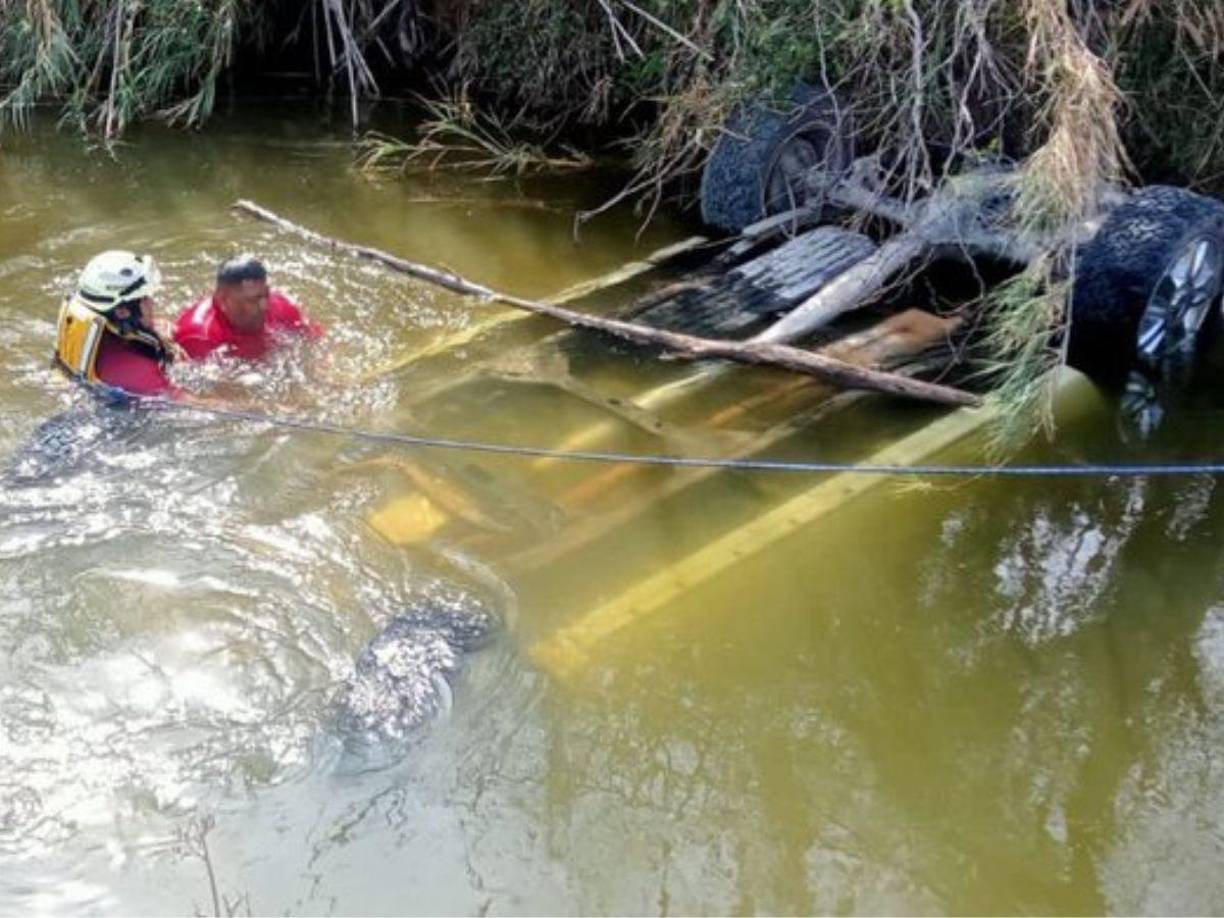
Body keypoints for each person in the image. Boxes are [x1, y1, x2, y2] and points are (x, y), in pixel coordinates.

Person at [54, 250, 179, 398]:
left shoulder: (100, 335)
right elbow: (197, 405)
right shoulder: (138, 369)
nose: (152, 302)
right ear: (122, 312)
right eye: (144, 298)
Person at [173, 255, 322, 361]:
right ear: (223, 300)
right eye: (252, 300)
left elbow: (315, 340)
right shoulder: (198, 336)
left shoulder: (281, 304)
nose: (264, 306)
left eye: (266, 295)